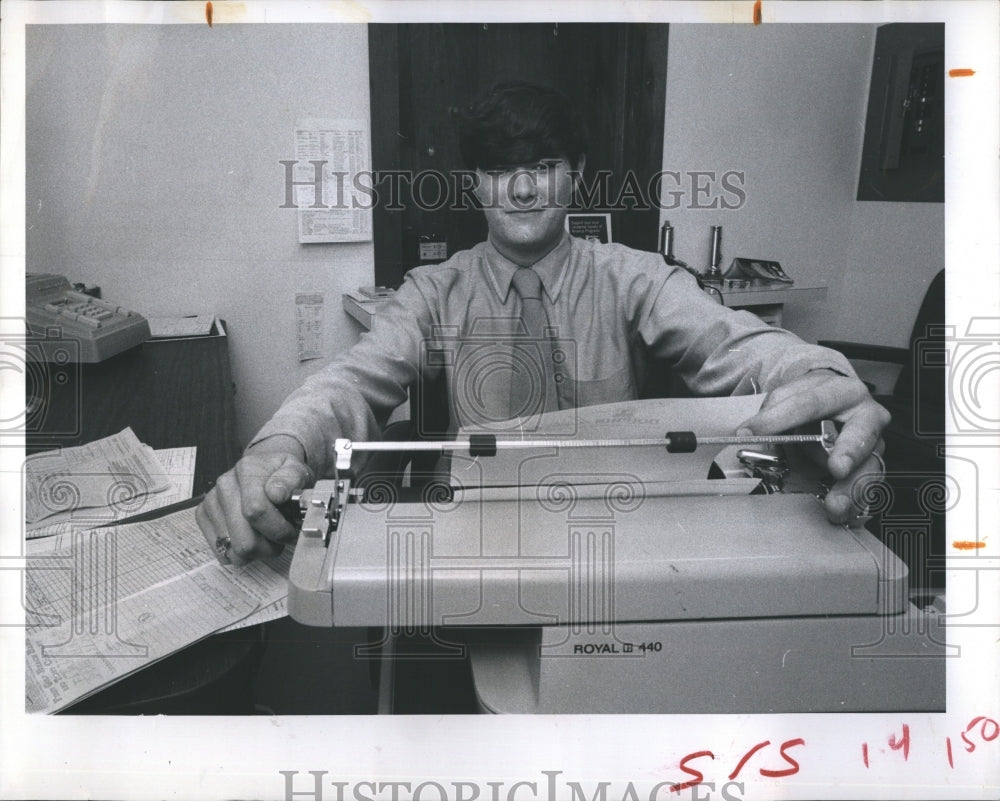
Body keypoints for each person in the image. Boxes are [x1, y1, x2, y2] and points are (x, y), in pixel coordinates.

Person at [197, 82, 889, 565]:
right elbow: (353, 378)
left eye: (544, 166)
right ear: (475, 183)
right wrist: (279, 444)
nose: (523, 188)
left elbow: (738, 341)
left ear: (577, 175)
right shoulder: (434, 291)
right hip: (477, 541)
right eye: (500, 170)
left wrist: (820, 378)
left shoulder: (633, 275)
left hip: (623, 538)